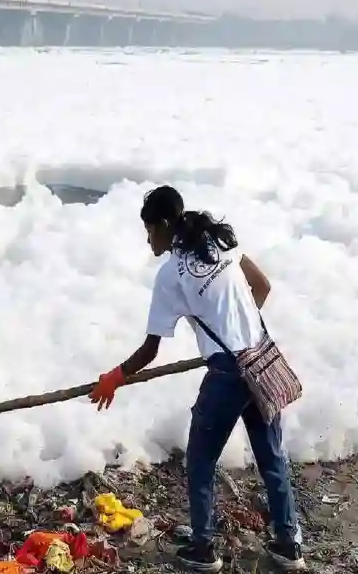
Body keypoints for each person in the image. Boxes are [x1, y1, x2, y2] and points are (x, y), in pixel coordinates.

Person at [88, 185, 305, 573]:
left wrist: (115, 377)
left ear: (166, 224)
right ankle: (289, 545)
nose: (148, 238)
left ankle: (204, 549)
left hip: (227, 374)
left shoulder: (171, 275)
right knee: (272, 457)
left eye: (150, 229)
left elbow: (150, 349)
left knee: (201, 461)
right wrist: (236, 327)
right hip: (260, 359)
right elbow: (262, 287)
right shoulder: (220, 240)